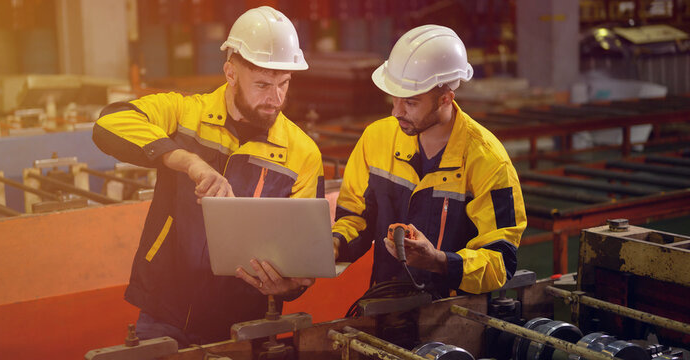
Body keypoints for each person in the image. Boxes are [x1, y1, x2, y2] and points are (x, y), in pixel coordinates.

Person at [92, 6, 323, 346]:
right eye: (262, 84)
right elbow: (109, 122)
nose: (275, 99)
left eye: (283, 84)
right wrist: (186, 161)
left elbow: (302, 258)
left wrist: (292, 286)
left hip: (243, 320)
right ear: (230, 73)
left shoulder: (302, 153)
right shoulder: (185, 113)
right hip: (164, 309)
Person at [332, 25, 526, 297]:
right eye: (394, 97)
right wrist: (335, 244)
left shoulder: (488, 161)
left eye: (410, 103)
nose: (396, 111)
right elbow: (355, 217)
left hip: (454, 316)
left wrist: (438, 261)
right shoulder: (377, 138)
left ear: (445, 98)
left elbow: (499, 262)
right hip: (384, 304)